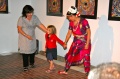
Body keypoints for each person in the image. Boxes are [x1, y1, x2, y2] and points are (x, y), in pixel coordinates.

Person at [58, 6, 91, 75]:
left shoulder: (84, 21)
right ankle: (65, 70)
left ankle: (88, 73)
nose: (69, 18)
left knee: (86, 56)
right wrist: (65, 42)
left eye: (69, 17)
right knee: (71, 55)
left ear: (74, 15)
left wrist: (87, 44)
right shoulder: (71, 23)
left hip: (85, 41)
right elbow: (69, 33)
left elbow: (89, 32)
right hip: (76, 42)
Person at [17, 5, 47, 71]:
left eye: (31, 12)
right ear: (25, 13)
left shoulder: (34, 18)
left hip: (32, 37)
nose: (30, 14)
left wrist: (47, 31)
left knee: (32, 51)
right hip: (24, 38)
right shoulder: (21, 19)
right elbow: (19, 29)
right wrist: (27, 35)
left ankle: (32, 63)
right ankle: (25, 66)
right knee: (25, 53)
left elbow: (40, 25)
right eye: (28, 13)